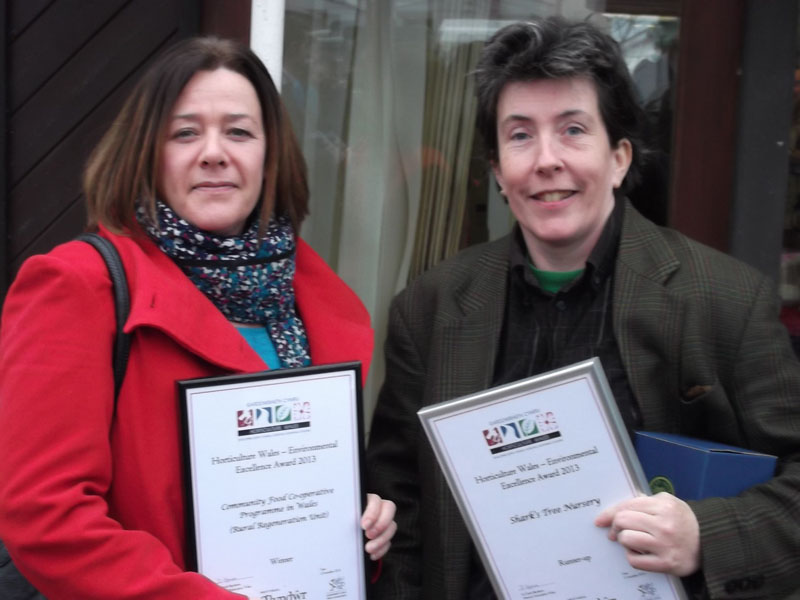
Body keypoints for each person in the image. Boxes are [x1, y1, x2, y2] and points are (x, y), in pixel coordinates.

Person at [366, 16, 800, 600]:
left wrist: (706, 533)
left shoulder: (724, 299)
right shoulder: (431, 307)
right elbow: (403, 509)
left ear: (619, 157)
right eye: (520, 135)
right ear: (497, 171)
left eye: (572, 130)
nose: (546, 160)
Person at [0, 37, 396, 599]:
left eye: (238, 131)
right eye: (186, 132)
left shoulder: (315, 300)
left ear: (269, 154)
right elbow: (46, 519)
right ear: (147, 153)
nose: (214, 152)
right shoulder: (77, 286)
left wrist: (359, 525)